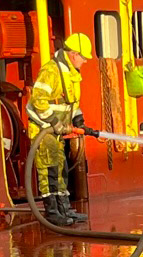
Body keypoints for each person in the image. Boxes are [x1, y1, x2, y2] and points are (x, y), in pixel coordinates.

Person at [27, 33, 99, 227]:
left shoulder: (71, 74)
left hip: (56, 131)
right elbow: (38, 100)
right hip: (44, 128)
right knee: (48, 170)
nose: (85, 61)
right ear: (74, 54)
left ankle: (64, 209)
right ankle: (52, 211)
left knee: (61, 169)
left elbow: (70, 103)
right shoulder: (51, 71)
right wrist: (53, 121)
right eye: (84, 57)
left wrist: (79, 120)